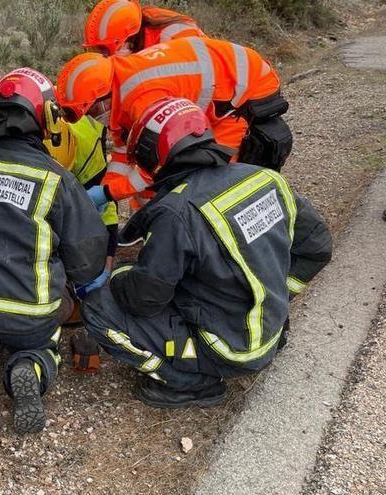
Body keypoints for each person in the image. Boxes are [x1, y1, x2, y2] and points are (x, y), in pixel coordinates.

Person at [81, 98, 332, 408]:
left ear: (152, 155)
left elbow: (145, 299)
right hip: (271, 331)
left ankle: (190, 384)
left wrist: (118, 278)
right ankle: (263, 332)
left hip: (228, 349)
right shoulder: (265, 178)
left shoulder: (177, 212)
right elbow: (317, 247)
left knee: (97, 307)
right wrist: (279, 296)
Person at [0, 68, 110, 433]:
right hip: (28, 314)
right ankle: (28, 366)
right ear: (47, 117)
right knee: (45, 336)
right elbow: (87, 259)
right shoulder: (55, 178)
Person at [56, 38, 293, 211]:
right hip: (225, 84)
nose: (93, 118)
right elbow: (123, 153)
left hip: (246, 89)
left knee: (215, 175)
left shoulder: (143, 99)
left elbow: (155, 167)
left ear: (103, 95)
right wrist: (105, 188)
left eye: (93, 110)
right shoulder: (121, 86)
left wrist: (107, 194)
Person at [44, 115, 117, 281]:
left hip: (87, 144)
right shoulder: (27, 149)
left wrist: (107, 265)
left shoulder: (89, 155)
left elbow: (109, 208)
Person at [83, 0, 204, 56]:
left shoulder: (170, 39)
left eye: (103, 51)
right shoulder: (140, 21)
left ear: (125, 44)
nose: (101, 56)